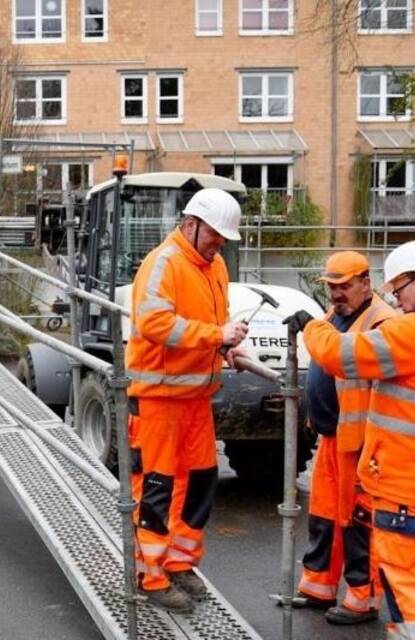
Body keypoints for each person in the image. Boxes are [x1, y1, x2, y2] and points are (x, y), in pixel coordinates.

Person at [285, 240, 415, 640]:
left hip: (402, 479)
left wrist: (312, 326)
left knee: (403, 579)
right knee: (406, 574)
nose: (397, 299)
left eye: (399, 289)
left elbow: (343, 355)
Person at [125, 188, 249, 613]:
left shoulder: (212, 267)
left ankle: (179, 562)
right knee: (157, 488)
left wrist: (227, 346)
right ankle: (151, 576)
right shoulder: (165, 262)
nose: (219, 244)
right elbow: (155, 322)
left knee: (198, 483)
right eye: (214, 235)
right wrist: (217, 336)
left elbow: (212, 322)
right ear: (190, 224)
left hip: (195, 397)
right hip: (159, 398)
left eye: (222, 239)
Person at [291, 251, 395, 625]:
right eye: (331, 287)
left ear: (366, 283)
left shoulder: (382, 321)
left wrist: (310, 329)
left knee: (357, 521)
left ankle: (361, 599)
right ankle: (318, 586)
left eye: (344, 286)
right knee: (324, 514)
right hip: (334, 436)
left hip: (362, 440)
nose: (336, 293)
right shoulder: (336, 315)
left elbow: (339, 358)